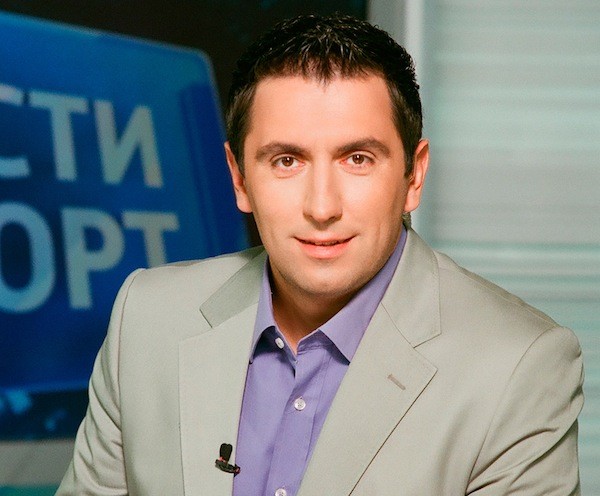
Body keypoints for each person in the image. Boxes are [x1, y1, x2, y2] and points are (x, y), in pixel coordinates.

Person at [57, 14, 584, 496]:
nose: (322, 206)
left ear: (414, 175)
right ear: (239, 178)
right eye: (287, 161)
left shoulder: (518, 367)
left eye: (358, 159)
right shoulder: (147, 318)